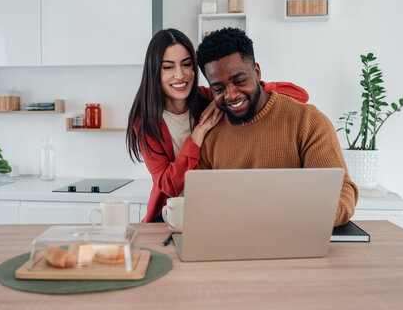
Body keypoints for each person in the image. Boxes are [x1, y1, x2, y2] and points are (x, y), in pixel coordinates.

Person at [126, 28, 310, 223]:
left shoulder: (209, 97)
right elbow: (169, 186)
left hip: (212, 210)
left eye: (187, 65)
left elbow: (300, 95)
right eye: (168, 67)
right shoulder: (145, 120)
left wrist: (225, 95)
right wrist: (198, 134)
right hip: (170, 215)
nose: (180, 75)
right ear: (154, 71)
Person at [196, 27, 358, 226]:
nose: (230, 95)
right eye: (219, 89)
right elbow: (202, 202)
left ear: (256, 71)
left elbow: (341, 192)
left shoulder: (308, 122)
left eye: (239, 81)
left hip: (296, 237)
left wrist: (297, 216)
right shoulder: (211, 134)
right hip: (233, 241)